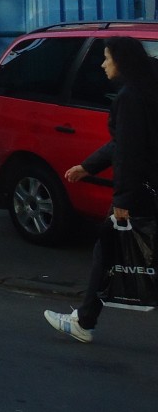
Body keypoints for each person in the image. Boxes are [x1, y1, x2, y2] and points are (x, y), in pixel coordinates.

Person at [44, 35, 158, 343]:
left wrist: (122, 199)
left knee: (106, 251)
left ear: (120, 61)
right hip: (148, 188)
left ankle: (84, 321)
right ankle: (85, 318)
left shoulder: (130, 97)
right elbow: (124, 142)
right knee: (108, 252)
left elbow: (129, 151)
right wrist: (88, 166)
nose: (102, 63)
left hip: (140, 193)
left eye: (106, 57)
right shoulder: (148, 90)